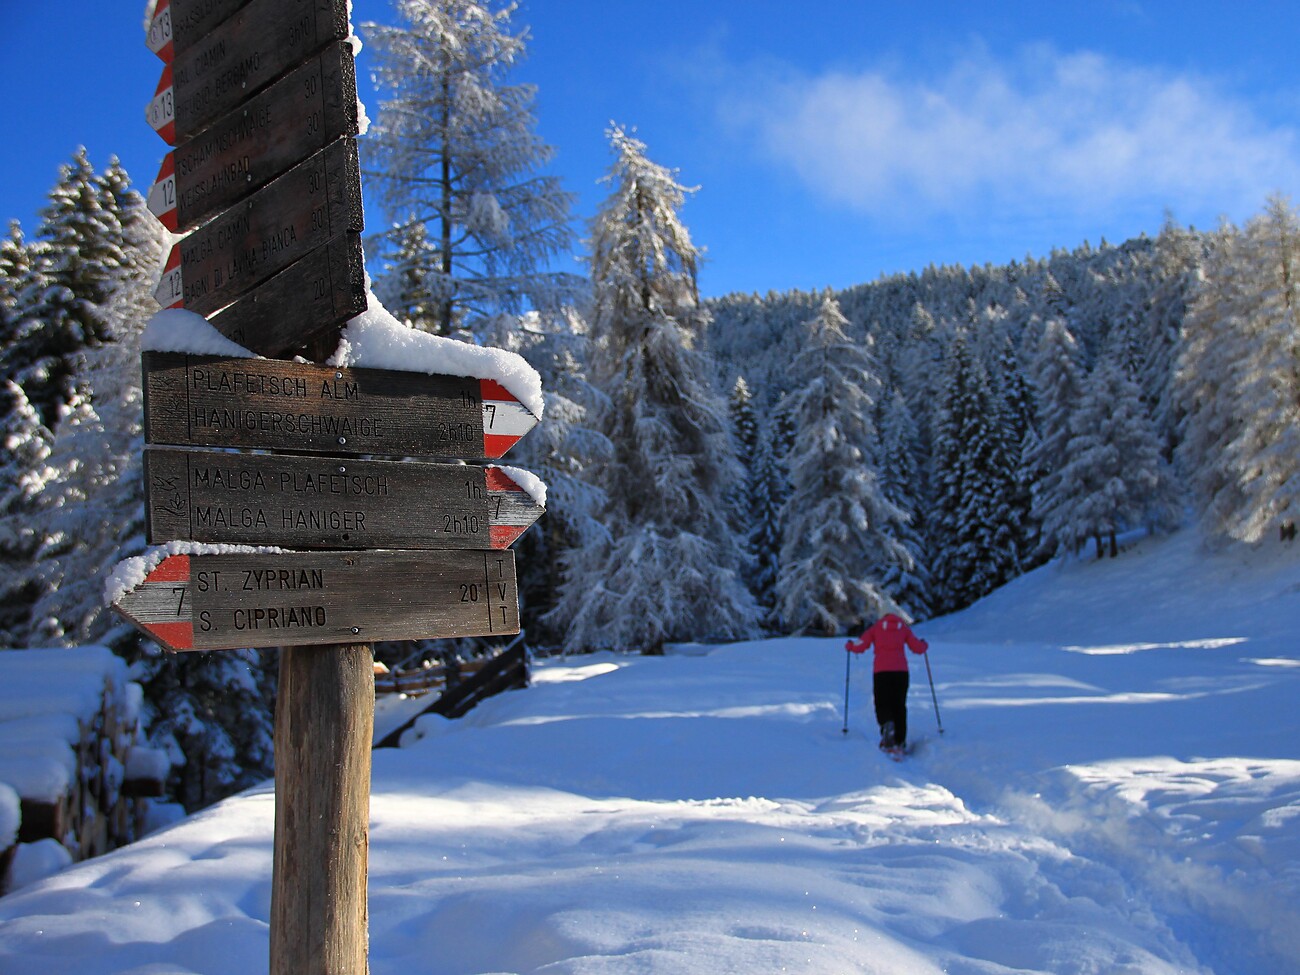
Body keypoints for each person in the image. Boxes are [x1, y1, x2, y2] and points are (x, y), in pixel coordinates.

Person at [845, 613, 928, 753]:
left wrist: (850, 646)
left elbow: (861, 645)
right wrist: (924, 645)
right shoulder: (903, 628)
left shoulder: (876, 628)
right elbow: (917, 648)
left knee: (882, 703)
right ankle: (900, 740)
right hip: (901, 672)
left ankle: (887, 725)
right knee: (899, 705)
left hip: (881, 672)